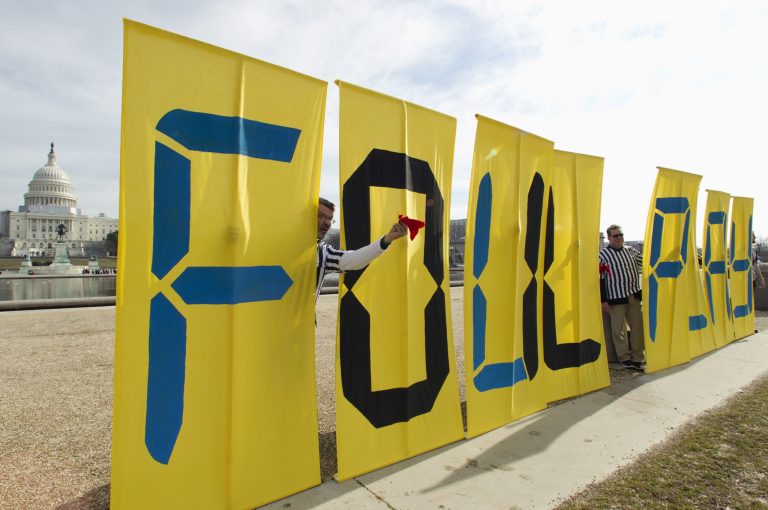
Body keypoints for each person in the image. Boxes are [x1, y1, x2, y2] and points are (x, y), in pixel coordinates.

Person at [316, 197, 407, 299]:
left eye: (330, 219)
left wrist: (386, 239)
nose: (327, 223)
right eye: (321, 216)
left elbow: (355, 259)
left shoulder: (323, 252)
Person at [599, 224, 644, 370]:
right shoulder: (603, 255)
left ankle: (637, 357)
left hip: (633, 295)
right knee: (618, 330)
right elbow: (600, 279)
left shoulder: (631, 251)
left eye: (621, 235)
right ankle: (624, 357)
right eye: (616, 236)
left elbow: (645, 262)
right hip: (615, 298)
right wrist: (603, 301)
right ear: (609, 238)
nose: (619, 238)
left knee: (637, 327)